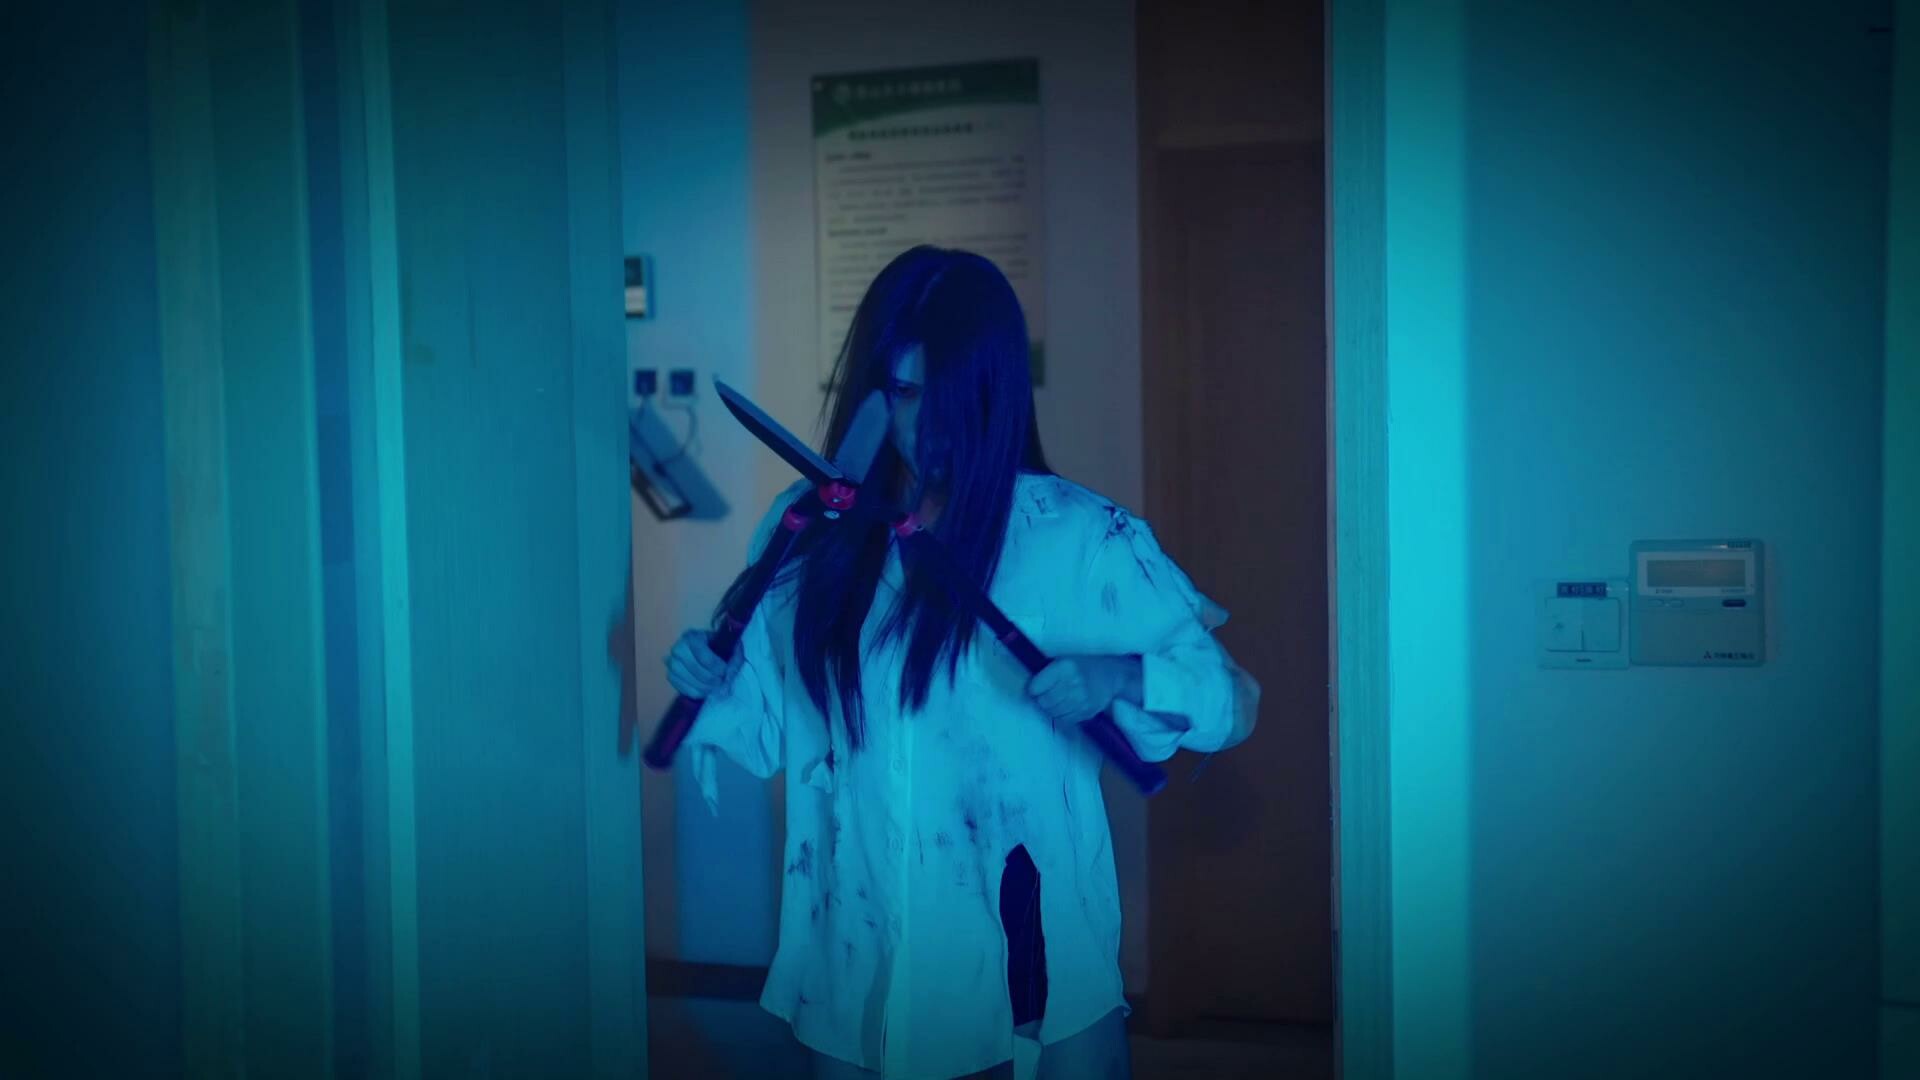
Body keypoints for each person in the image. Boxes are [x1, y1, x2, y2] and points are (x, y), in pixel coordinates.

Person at [663, 246, 1259, 1080]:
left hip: (1034, 967)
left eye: (953, 397)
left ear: (997, 392)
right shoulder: (817, 528)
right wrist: (711, 676)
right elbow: (769, 725)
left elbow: (1235, 701)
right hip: (860, 960)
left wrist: (1118, 675)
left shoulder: (1076, 535)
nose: (930, 428)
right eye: (908, 395)